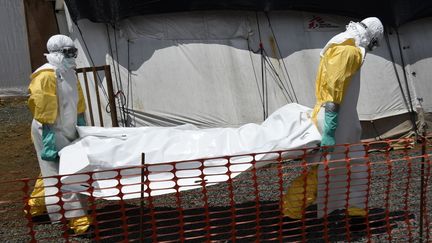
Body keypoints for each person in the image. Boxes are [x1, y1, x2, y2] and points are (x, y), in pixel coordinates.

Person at [283, 17, 384, 219]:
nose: (373, 48)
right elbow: (333, 90)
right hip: (335, 120)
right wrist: (330, 128)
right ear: (370, 37)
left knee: (355, 166)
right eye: (374, 42)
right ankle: (291, 211)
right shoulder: (346, 50)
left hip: (344, 121)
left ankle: (355, 211)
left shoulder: (347, 46)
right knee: (324, 170)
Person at [26, 34, 91, 234]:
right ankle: (77, 222)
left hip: (68, 128)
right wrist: (49, 139)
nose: (73, 56)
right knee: (62, 174)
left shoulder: (69, 71)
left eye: (74, 51)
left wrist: (80, 124)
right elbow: (42, 109)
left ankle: (34, 207)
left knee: (51, 169)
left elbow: (77, 100)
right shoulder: (45, 75)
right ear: (57, 52)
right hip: (50, 132)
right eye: (69, 52)